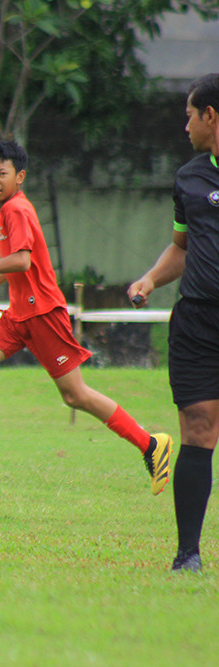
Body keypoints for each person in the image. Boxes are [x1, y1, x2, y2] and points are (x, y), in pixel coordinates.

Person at [0, 138, 172, 494]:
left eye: (1, 173)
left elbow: (23, 260)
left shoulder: (16, 210)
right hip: (18, 313)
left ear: (20, 175)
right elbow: (18, 259)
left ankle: (151, 444)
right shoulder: (7, 209)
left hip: (42, 314)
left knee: (75, 395)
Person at [128, 73, 219, 573]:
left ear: (211, 116)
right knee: (198, 428)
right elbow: (182, 248)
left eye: (189, 114)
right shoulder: (189, 179)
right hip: (197, 321)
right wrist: (148, 280)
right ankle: (189, 553)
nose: (184, 125)